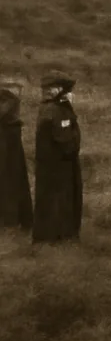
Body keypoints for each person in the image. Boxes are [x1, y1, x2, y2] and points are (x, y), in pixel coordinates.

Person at [32, 70, 83, 243]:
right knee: (57, 200)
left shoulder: (55, 108)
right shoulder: (54, 110)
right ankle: (56, 236)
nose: (71, 94)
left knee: (59, 199)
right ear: (57, 90)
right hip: (57, 165)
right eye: (67, 90)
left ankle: (59, 234)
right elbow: (64, 139)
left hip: (57, 164)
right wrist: (73, 148)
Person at [0, 78, 33, 232]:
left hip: (6, 144)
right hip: (7, 141)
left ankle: (11, 221)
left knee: (9, 180)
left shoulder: (9, 98)